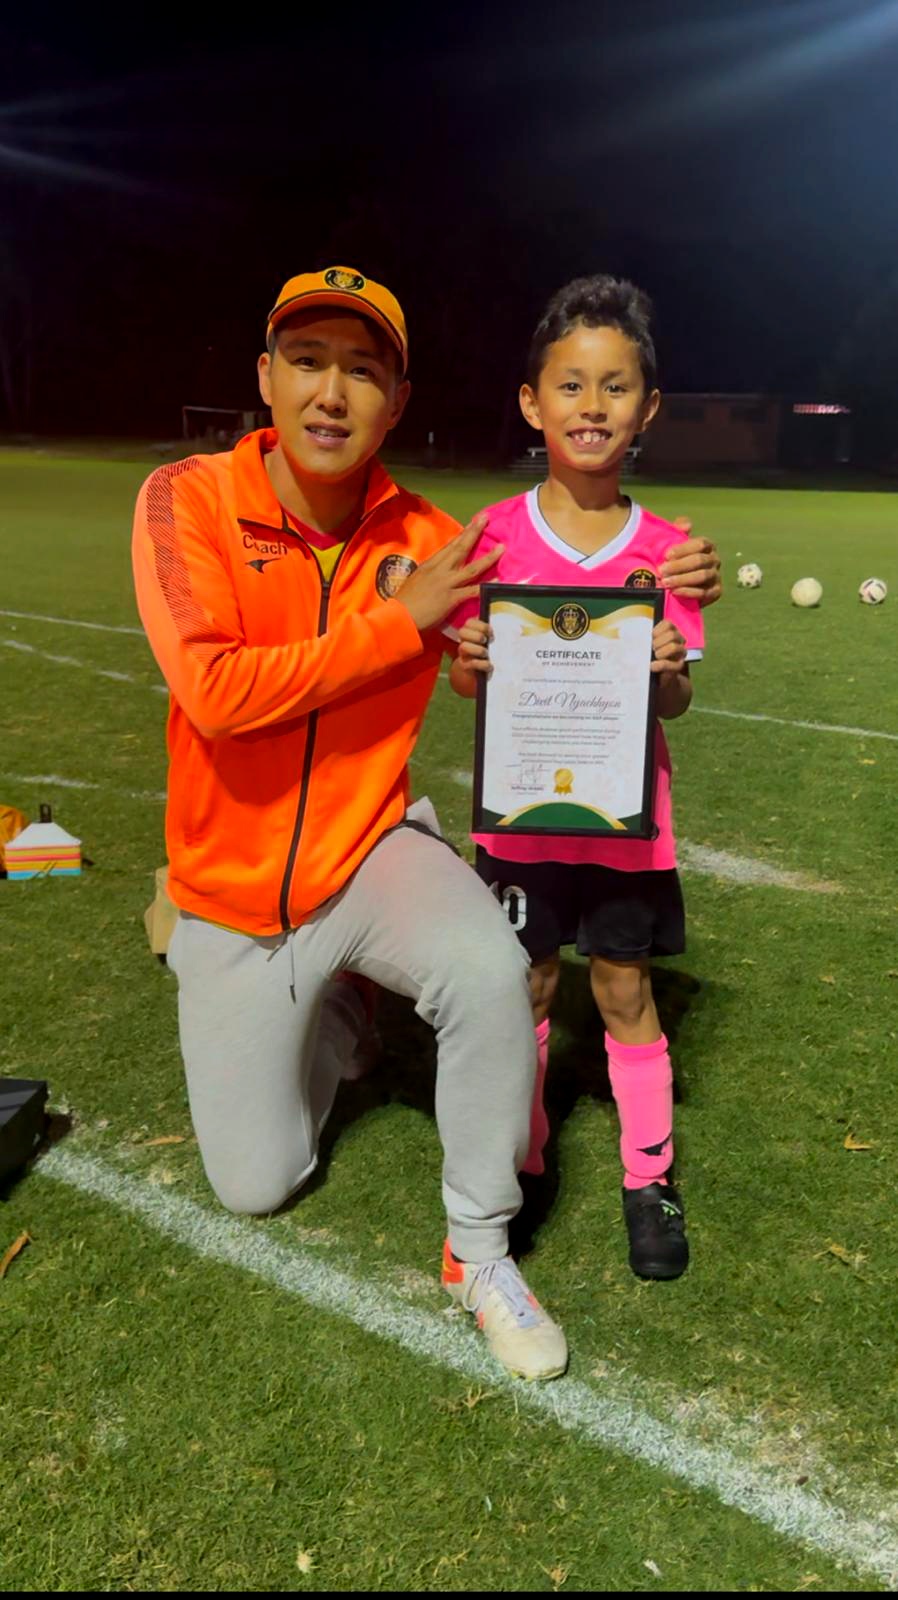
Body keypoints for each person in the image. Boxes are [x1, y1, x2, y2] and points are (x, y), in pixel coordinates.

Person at [132, 265, 720, 1379]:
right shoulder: (185, 498)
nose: (331, 392)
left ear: (396, 401)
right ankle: (341, 1015)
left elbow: (571, 581)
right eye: (307, 360)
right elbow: (215, 691)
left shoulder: (444, 537)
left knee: (497, 964)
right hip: (232, 888)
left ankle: (481, 1251)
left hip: (367, 852)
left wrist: (675, 576)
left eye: (364, 370)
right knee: (257, 1183)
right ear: (264, 376)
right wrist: (399, 622)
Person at [448, 274, 705, 1282]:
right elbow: (473, 679)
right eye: (569, 385)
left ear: (646, 409)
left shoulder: (669, 555)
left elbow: (675, 700)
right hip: (521, 824)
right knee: (526, 984)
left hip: (625, 825)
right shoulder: (495, 535)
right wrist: (467, 663)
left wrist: (669, 676)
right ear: (530, 400)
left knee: (623, 985)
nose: (589, 407)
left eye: (613, 387)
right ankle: (522, 1151)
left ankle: (649, 1178)